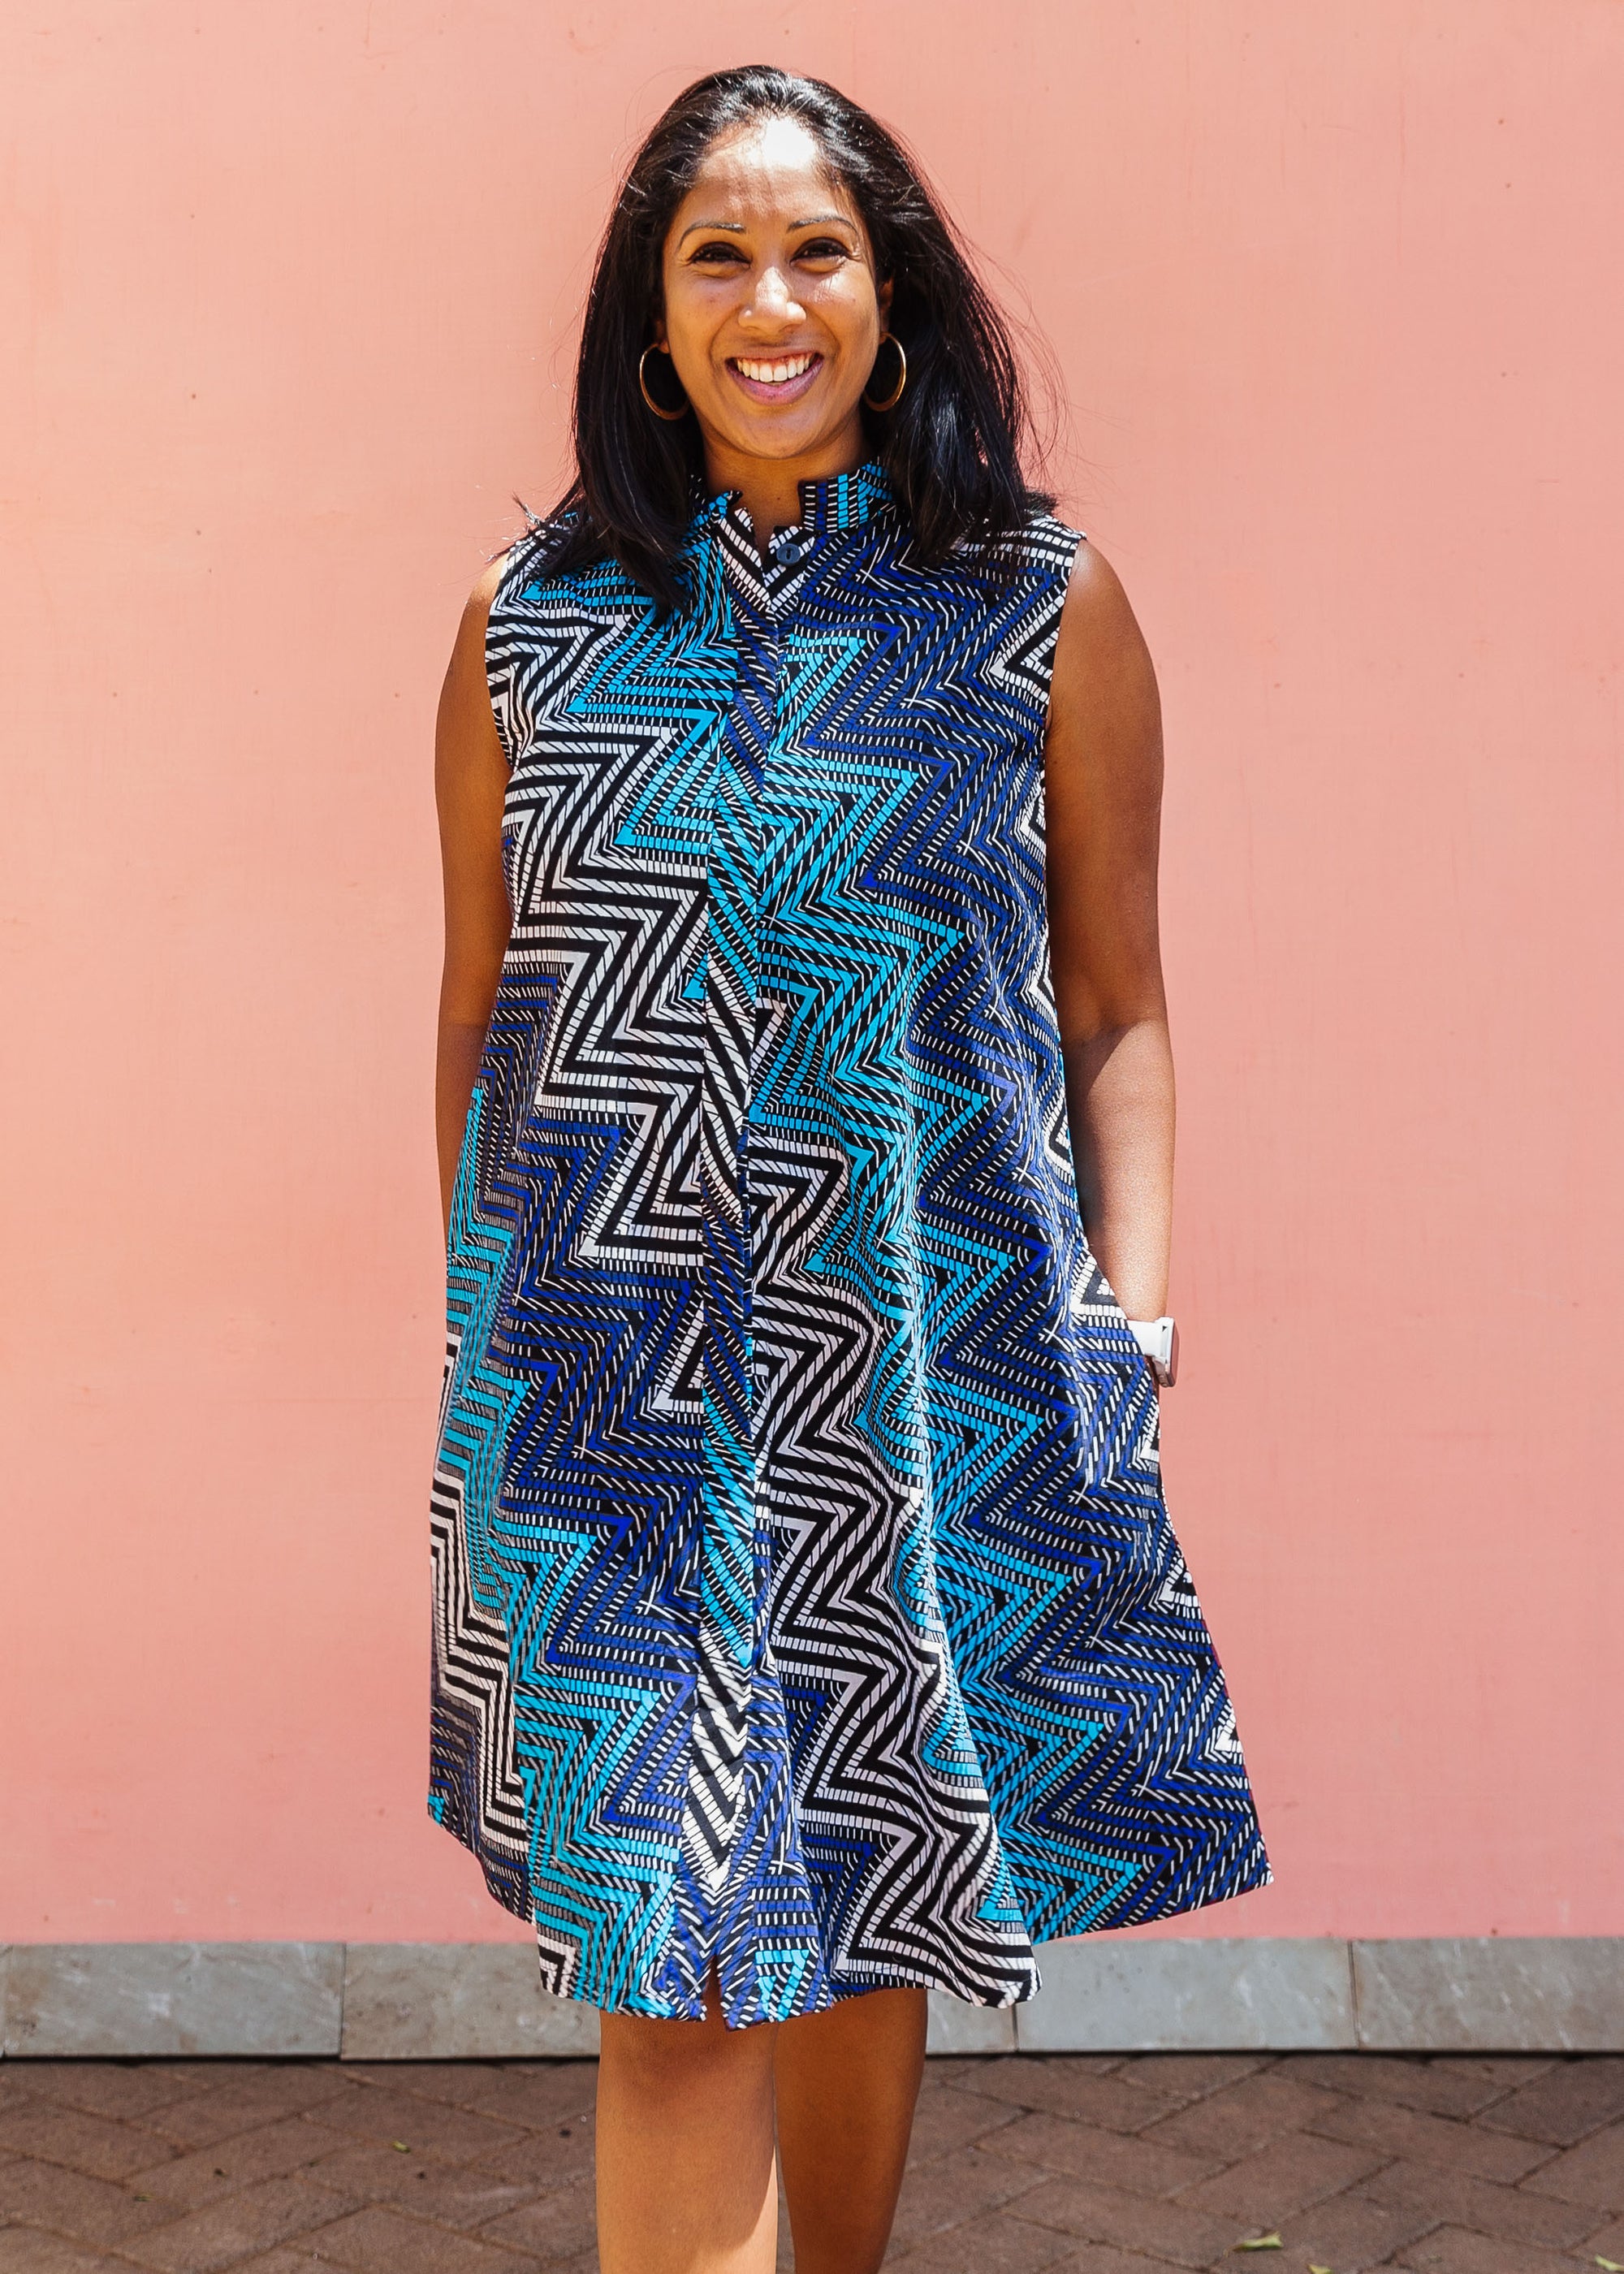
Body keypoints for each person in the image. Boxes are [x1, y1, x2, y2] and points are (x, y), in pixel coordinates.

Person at [429, 63, 1269, 2274]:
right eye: (719, 253)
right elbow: (482, 1007)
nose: (770, 299)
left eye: (819, 250)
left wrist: (1133, 1313)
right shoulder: (530, 622)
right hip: (598, 1401)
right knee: (678, 1962)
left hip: (921, 1362)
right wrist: (489, 1342)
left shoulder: (1033, 609)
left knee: (867, 1884)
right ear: (652, 308)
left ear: (891, 295)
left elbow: (1120, 1001)